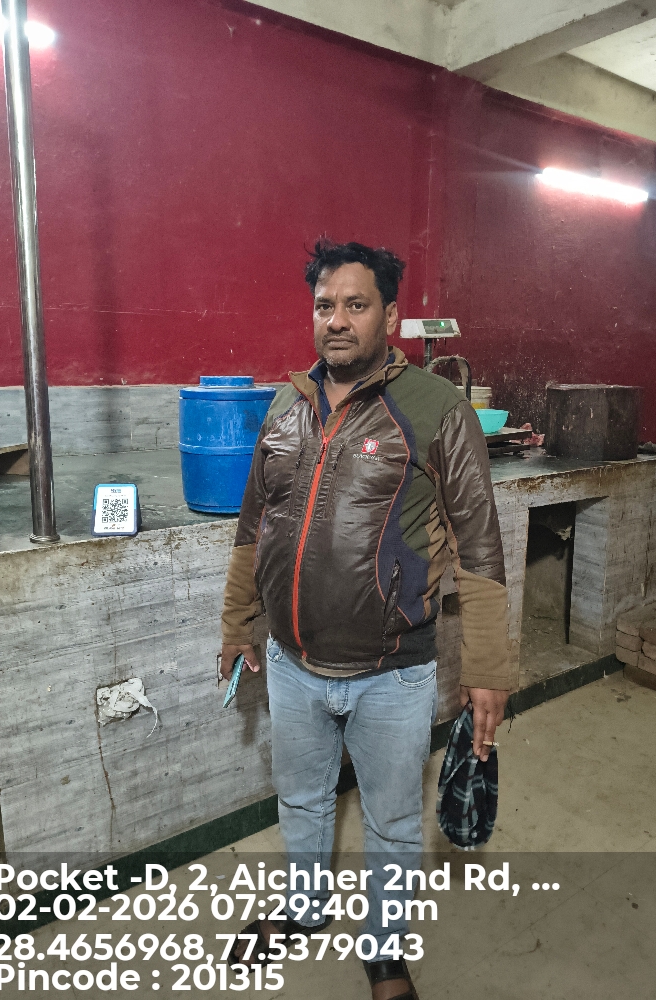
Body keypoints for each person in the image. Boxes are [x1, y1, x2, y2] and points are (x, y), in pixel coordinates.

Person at [219, 239, 513, 1000]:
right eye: (325, 305)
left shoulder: (437, 410)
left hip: (394, 671)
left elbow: (480, 548)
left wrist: (488, 668)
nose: (338, 320)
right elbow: (254, 526)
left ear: (390, 315)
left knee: (391, 822)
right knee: (301, 798)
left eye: (356, 304)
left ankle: (384, 951)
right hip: (291, 663)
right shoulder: (286, 406)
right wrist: (237, 622)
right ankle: (304, 908)